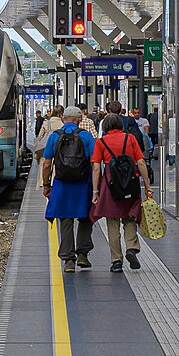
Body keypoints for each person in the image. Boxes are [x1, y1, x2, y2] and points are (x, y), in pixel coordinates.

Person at [91, 109, 149, 272]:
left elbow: (96, 167)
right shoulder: (129, 138)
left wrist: (95, 191)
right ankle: (131, 247)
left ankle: (116, 261)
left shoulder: (101, 143)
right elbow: (141, 162)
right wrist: (147, 185)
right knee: (130, 216)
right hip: (130, 181)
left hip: (110, 183)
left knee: (112, 221)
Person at [41, 104, 97, 273]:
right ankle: (82, 255)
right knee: (86, 218)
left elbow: (46, 164)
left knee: (65, 219)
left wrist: (46, 185)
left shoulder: (54, 137)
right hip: (83, 184)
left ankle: (68, 260)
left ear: (64, 119)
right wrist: (96, 188)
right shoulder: (86, 136)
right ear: (79, 120)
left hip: (62, 184)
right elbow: (95, 164)